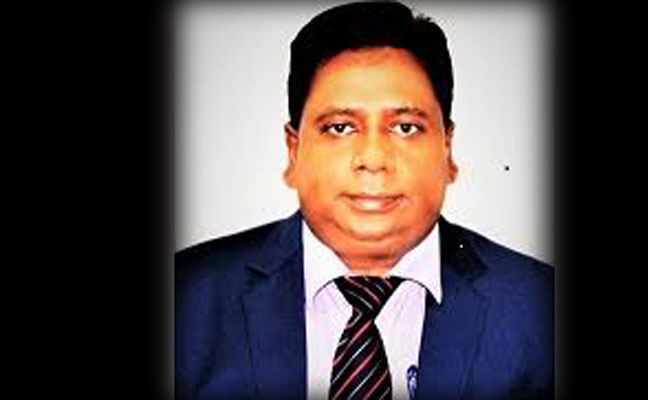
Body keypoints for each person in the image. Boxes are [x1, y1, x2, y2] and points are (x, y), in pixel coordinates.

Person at [175, 1, 553, 399]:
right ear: (294, 151)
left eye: (405, 128)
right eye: (340, 128)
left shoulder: (541, 308)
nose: (373, 159)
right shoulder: (184, 299)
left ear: (447, 149)